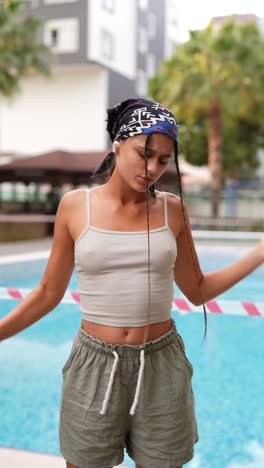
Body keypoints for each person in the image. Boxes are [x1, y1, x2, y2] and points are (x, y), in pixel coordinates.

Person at [0, 98, 263, 468]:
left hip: (161, 364)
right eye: (145, 153)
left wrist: (259, 253)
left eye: (163, 160)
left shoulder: (173, 210)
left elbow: (198, 289)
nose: (153, 168)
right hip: (93, 365)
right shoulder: (76, 207)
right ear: (118, 144)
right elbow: (48, 292)